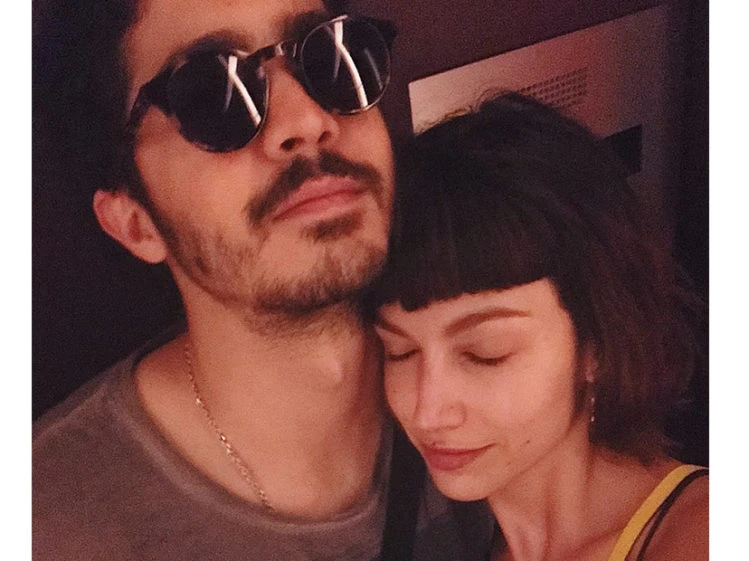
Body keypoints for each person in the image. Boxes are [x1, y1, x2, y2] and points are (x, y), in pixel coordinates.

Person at [32, 0, 492, 559]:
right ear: (136, 224)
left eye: (332, 58)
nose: (308, 121)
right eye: (214, 94)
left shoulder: (526, 378)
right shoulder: (49, 524)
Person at [369, 92, 708, 561]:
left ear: (596, 345)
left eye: (486, 353)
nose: (427, 413)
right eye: (400, 351)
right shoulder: (453, 536)